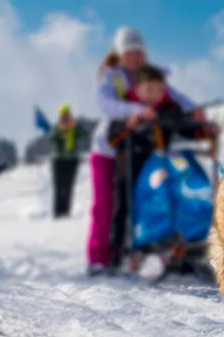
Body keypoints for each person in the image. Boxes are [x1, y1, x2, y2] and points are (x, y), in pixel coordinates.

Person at [87, 26, 203, 275]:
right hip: (109, 148)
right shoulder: (113, 76)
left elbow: (175, 97)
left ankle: (145, 249)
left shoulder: (148, 76)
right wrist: (136, 113)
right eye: (130, 52)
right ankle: (100, 258)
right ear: (120, 54)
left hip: (140, 147)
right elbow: (106, 104)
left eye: (139, 52)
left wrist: (194, 111)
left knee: (146, 198)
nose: (135, 57)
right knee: (106, 205)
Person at [47, 104, 88, 218]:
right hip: (58, 160)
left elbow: (85, 136)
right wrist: (60, 131)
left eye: (67, 115)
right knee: (58, 186)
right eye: (63, 115)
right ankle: (57, 212)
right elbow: (51, 138)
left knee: (68, 186)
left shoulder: (75, 126)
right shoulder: (56, 127)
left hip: (72, 160)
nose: (65, 118)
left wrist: (76, 127)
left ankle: (66, 211)